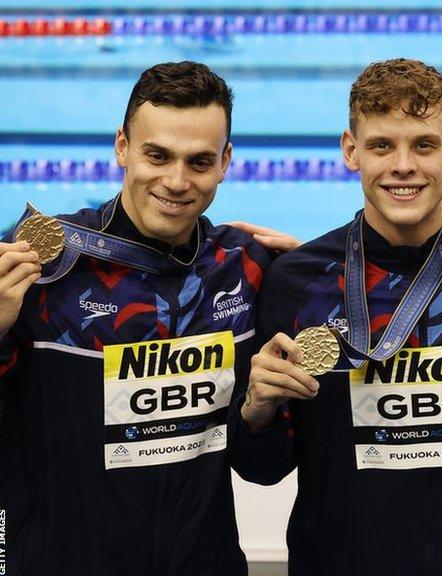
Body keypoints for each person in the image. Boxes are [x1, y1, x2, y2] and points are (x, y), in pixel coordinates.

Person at [232, 58, 442, 575]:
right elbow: (261, 468)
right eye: (381, 145)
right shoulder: (298, 285)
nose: (403, 165)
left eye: (423, 144)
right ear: (351, 151)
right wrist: (257, 410)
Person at [0, 61, 274, 575]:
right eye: (157, 155)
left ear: (226, 161)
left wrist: (319, 274)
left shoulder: (244, 270)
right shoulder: (42, 269)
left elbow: (264, 464)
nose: (176, 181)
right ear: (123, 146)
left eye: (199, 161)